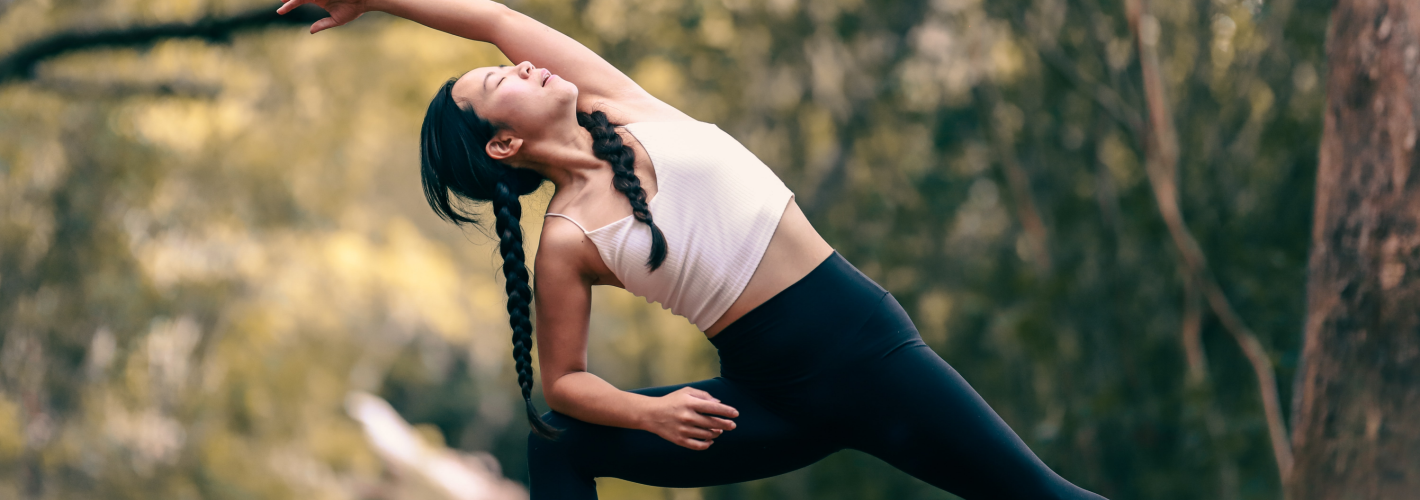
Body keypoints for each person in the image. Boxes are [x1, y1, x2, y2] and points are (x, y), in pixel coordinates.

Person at [278, 0, 1109, 498]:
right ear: (501, 147)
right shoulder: (567, 240)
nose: (522, 65)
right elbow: (562, 384)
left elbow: (493, 18)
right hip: (768, 399)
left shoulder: (620, 104)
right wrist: (649, 412)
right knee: (556, 443)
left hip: (866, 351)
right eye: (502, 84)